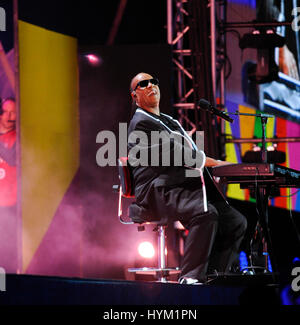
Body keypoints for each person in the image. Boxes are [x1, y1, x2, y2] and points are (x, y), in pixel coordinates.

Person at [127, 72, 247, 284]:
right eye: (142, 84)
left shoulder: (167, 120)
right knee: (205, 213)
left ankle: (214, 276)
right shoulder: (141, 123)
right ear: (134, 96)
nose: (150, 86)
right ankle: (190, 277)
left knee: (235, 222)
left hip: (177, 185)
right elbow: (180, 154)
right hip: (156, 190)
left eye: (154, 81)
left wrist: (220, 171)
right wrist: (219, 164)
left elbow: (190, 154)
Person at [0, 97, 18, 273]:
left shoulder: (17, 137)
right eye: (7, 111)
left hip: (8, 207)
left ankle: (5, 292)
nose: (11, 116)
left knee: (5, 257)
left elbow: (12, 158)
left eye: (14, 112)